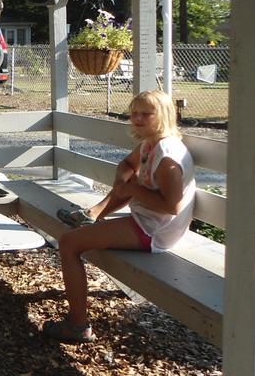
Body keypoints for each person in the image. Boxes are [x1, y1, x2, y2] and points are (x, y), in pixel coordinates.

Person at [46, 90, 196, 343]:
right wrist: (122, 183)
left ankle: (77, 325)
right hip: (146, 219)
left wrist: (132, 188)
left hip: (156, 231)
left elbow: (173, 206)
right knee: (131, 183)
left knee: (69, 243)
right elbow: (127, 165)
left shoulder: (167, 156)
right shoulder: (151, 144)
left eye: (146, 114)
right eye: (134, 113)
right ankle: (91, 215)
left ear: (165, 115)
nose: (138, 119)